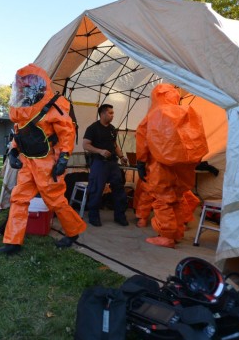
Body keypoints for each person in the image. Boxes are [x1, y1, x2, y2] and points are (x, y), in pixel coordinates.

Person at [0, 64, 87, 255]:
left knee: (55, 201)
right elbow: (20, 132)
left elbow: (67, 133)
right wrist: (14, 152)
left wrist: (64, 158)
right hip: (29, 161)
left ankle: (73, 231)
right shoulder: (23, 107)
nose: (26, 89)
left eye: (30, 85)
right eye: (23, 86)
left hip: (47, 162)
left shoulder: (55, 106)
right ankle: (12, 242)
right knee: (19, 199)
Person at [135, 84, 208, 248]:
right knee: (178, 200)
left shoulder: (153, 115)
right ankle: (177, 233)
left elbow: (142, 141)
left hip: (160, 168)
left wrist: (140, 162)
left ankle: (166, 236)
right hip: (183, 170)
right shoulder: (188, 112)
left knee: (163, 202)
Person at [82, 104, 130, 227]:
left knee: (119, 189)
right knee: (96, 190)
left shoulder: (112, 129)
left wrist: (121, 157)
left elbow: (115, 145)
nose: (112, 115)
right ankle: (93, 217)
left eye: (113, 113)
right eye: (110, 113)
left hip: (113, 164)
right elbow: (86, 145)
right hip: (99, 163)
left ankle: (120, 216)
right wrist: (100, 151)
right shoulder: (93, 128)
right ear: (102, 113)